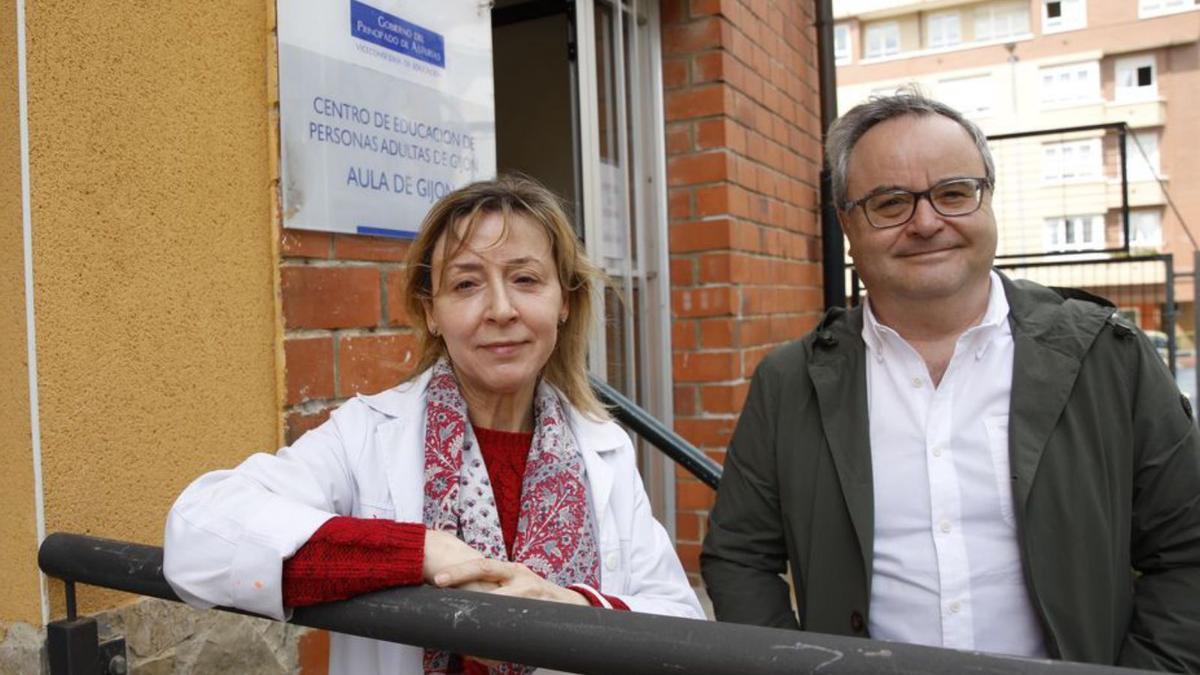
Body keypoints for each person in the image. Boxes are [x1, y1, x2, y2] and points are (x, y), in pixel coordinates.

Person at [700, 91, 1200, 671]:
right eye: (890, 203)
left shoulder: (1107, 357)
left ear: (988, 199)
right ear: (846, 222)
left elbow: (1187, 550)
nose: (927, 222)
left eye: (954, 194)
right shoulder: (790, 382)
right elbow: (739, 557)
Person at [165, 176, 703, 674]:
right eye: (467, 284)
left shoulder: (602, 447)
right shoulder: (366, 435)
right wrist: (422, 552)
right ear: (430, 311)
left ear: (564, 300)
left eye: (525, 279)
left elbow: (681, 623)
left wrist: (570, 606)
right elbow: (198, 534)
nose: (500, 309)